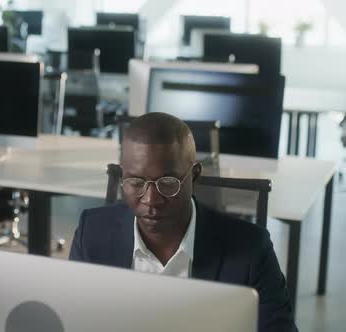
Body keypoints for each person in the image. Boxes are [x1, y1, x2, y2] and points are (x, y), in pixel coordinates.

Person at [69, 112, 297, 331]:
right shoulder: (91, 234)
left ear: (195, 176)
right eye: (136, 182)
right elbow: (73, 318)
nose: (151, 200)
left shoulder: (250, 249)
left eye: (168, 183)